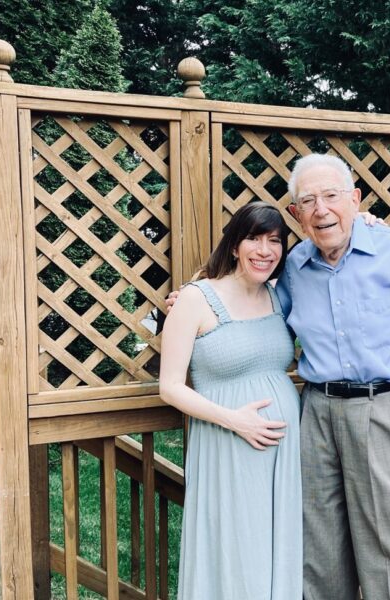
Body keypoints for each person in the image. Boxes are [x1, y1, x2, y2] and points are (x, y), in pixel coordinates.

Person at [278, 153, 390, 600]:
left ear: (355, 199)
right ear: (296, 213)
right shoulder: (294, 266)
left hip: (389, 411)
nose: (321, 210)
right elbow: (259, 315)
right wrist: (201, 295)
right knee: (319, 554)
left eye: (331, 196)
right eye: (308, 201)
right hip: (318, 415)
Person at [159, 201, 302, 599]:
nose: (265, 250)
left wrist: (363, 220)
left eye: (275, 241)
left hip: (282, 455)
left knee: (277, 549)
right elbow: (170, 386)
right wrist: (234, 420)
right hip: (228, 445)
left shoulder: (278, 296)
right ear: (235, 245)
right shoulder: (195, 299)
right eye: (254, 238)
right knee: (237, 553)